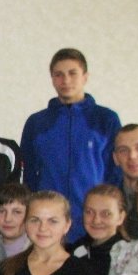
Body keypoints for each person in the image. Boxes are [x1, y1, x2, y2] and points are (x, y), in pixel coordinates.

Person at [20, 48, 122, 240]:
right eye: (59, 75)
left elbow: (115, 173)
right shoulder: (37, 123)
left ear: (85, 77)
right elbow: (28, 176)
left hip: (94, 223)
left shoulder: (105, 119)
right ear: (52, 79)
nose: (65, 80)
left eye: (72, 73)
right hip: (49, 226)